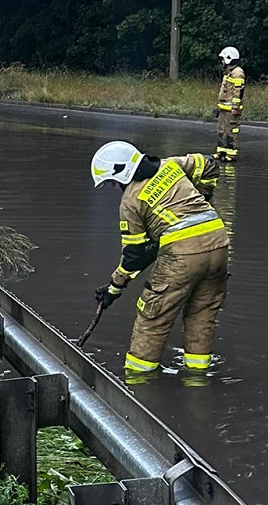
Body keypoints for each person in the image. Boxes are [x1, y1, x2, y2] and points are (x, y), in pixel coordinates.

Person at [90, 140, 229, 381]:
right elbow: (209, 164)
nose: (113, 189)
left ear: (121, 172)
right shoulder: (172, 165)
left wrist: (114, 288)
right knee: (202, 313)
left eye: (111, 183)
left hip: (181, 256)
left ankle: (138, 383)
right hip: (219, 245)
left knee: (152, 317)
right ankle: (197, 380)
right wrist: (205, 197)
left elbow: (134, 256)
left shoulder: (130, 203)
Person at [215, 46, 245, 162]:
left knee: (231, 132)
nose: (222, 62)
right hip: (224, 108)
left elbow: (238, 92)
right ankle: (221, 151)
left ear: (229, 58)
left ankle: (231, 154)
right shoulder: (229, 73)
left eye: (223, 59)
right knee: (221, 131)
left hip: (232, 110)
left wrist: (235, 107)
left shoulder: (238, 73)